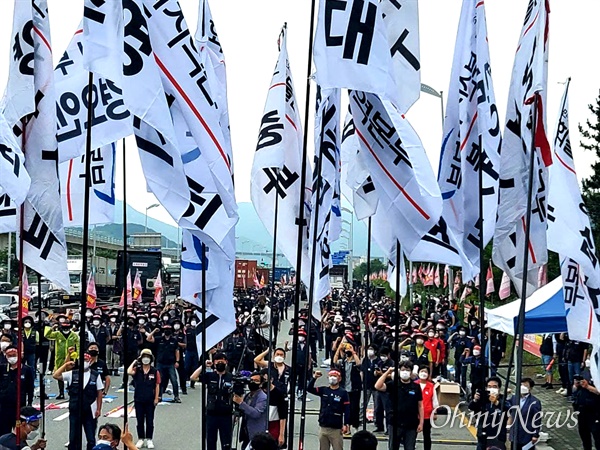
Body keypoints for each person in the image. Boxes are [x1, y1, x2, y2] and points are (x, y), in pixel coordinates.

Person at [53, 353, 104, 450]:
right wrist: (65, 365)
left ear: (90, 361)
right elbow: (56, 375)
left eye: (86, 360)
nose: (84, 362)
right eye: (82, 360)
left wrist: (98, 409)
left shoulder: (95, 375)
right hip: (75, 408)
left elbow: (99, 392)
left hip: (89, 409)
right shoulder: (72, 373)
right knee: (73, 437)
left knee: (91, 438)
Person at [375, 362, 424, 450]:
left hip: (411, 423)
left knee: (410, 447)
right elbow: (378, 386)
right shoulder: (393, 384)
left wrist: (421, 422)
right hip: (395, 422)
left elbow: (420, 406)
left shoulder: (416, 387)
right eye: (403, 370)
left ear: (411, 372)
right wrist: (387, 372)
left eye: (407, 370)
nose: (405, 372)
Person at [190, 353, 234, 450]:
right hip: (211, 414)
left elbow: (237, 395)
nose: (220, 362)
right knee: (210, 441)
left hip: (226, 414)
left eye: (222, 360)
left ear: (226, 362)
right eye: (217, 360)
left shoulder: (231, 377)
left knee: (226, 443)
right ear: (214, 363)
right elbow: (193, 377)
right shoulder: (210, 376)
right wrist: (203, 365)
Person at [307, 369, 350, 450]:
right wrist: (314, 378)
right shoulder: (324, 390)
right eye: (331, 376)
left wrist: (346, 424)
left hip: (336, 428)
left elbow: (347, 409)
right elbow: (309, 389)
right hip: (323, 426)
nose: (332, 378)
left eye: (335, 376)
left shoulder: (343, 393)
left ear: (339, 379)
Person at [127, 349, 160, 449]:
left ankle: (149, 439)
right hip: (139, 399)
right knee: (140, 420)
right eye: (144, 357)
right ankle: (141, 438)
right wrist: (135, 362)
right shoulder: (137, 369)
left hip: (150, 400)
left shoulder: (155, 371)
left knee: (150, 420)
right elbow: (129, 371)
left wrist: (156, 398)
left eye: (148, 357)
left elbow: (157, 385)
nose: (146, 359)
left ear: (151, 359)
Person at [0, 346, 35, 436]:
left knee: (20, 433)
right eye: (9, 355)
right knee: (4, 433)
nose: (12, 357)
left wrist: (29, 404)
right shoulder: (2, 369)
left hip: (19, 405)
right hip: (4, 406)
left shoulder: (26, 369)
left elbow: (30, 388)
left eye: (14, 355)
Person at [45, 315, 80, 399]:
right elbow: (47, 335)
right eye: (64, 328)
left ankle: (71, 391)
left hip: (71, 358)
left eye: (67, 328)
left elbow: (78, 345)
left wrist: (77, 356)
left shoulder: (74, 335)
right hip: (59, 358)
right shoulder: (57, 334)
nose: (66, 330)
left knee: (71, 375)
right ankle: (61, 393)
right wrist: (52, 328)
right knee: (59, 375)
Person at [468, 376, 508, 450]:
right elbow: (471, 407)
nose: (492, 388)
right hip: (483, 435)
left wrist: (496, 402)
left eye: (494, 386)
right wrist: (475, 400)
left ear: (499, 388)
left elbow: (508, 409)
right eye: (489, 386)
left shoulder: (503, 400)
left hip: (498, 437)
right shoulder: (483, 399)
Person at [147, 323, 181, 403]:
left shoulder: (174, 340)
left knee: (174, 380)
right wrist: (155, 330)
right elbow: (149, 338)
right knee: (159, 380)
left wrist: (177, 361)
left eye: (168, 330)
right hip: (160, 363)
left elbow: (177, 351)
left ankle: (176, 396)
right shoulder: (159, 339)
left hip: (170, 364)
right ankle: (159, 396)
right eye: (165, 330)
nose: (167, 331)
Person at [332, 341, 362, 430]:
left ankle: (355, 425)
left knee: (354, 408)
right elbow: (335, 361)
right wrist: (339, 348)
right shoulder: (343, 362)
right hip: (344, 388)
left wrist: (353, 352)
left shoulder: (354, 362)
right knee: (344, 408)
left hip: (354, 388)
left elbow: (359, 364)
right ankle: (345, 425)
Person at [234, 372, 268, 449]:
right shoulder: (248, 395)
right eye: (251, 380)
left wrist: (241, 403)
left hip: (256, 433)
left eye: (256, 381)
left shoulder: (263, 397)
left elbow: (256, 413)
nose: (252, 382)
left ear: (261, 384)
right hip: (246, 432)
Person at [508, 378, 542, 450]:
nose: (522, 387)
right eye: (521, 385)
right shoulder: (514, 398)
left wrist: (535, 435)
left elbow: (537, 420)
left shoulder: (535, 402)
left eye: (525, 386)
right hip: (515, 434)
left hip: (527, 435)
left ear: (530, 388)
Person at [572, 374, 600, 450]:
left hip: (594, 412)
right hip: (582, 411)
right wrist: (576, 385)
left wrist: (587, 386)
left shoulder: (596, 372)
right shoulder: (584, 371)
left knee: (597, 436)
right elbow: (574, 392)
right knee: (584, 436)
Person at [261, 369, 287, 447]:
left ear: (271, 379)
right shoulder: (259, 391)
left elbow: (283, 416)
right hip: (260, 424)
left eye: (265, 379)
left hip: (273, 425)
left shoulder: (278, 393)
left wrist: (281, 434)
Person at [416, 366, 438, 450]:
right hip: (414, 414)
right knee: (412, 434)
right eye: (422, 371)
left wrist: (435, 412)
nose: (423, 373)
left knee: (427, 435)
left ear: (428, 374)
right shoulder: (414, 384)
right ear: (418, 373)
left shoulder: (431, 386)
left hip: (427, 415)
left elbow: (434, 400)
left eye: (425, 372)